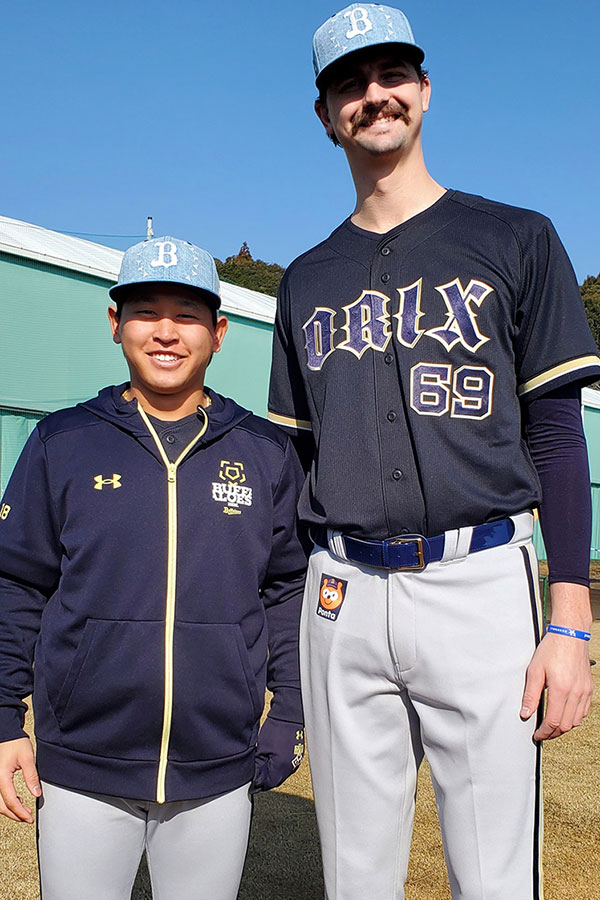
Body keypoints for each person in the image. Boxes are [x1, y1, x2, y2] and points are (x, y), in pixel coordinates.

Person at [267, 5, 600, 899]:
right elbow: (293, 465)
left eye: (391, 74)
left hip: (480, 577)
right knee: (354, 876)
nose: (374, 95)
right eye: (349, 83)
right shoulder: (305, 277)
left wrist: (570, 621)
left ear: (423, 88)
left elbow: (559, 440)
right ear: (326, 113)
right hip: (342, 588)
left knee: (494, 874)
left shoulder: (516, 237)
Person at [0, 236, 307, 900]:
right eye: (144, 310)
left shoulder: (264, 452)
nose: (166, 331)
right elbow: (18, 585)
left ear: (219, 333)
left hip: (217, 765)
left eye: (188, 314)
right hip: (83, 764)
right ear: (115, 324)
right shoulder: (62, 442)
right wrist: (3, 721)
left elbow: (287, 589)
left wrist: (289, 714)